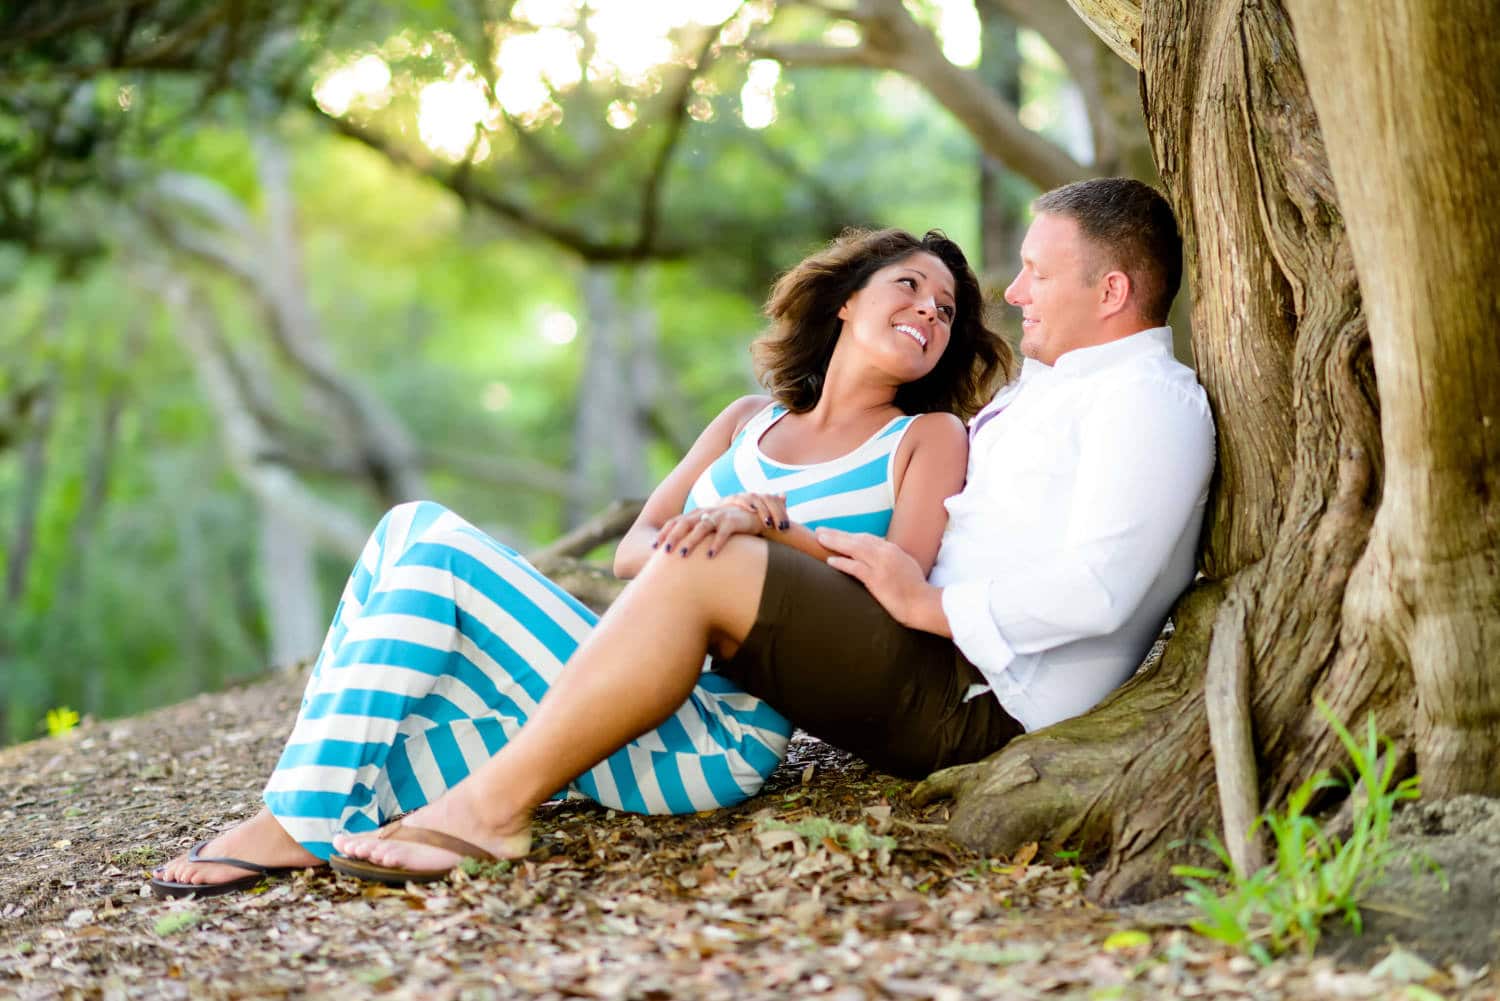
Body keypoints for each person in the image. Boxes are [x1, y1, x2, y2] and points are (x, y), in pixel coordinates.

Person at [320, 176, 1216, 886]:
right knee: (669, 553)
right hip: (929, 650)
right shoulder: (1061, 389)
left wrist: (931, 601)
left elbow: (1104, 591)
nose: (1013, 291)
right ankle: (339, 798)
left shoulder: (1148, 402)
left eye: (1038, 272)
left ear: (1111, 289)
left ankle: (492, 809)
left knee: (706, 560)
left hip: (976, 694)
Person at [149, 227, 1012, 896]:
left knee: (441, 555)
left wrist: (766, 525)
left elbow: (898, 579)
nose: (930, 314)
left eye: (946, 313)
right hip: (632, 671)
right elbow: (641, 551)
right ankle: (308, 807)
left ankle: (295, 819)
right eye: (911, 287)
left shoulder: (925, 437)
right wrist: (723, 518)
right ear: (846, 303)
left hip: (715, 734)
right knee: (409, 529)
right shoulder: (746, 420)